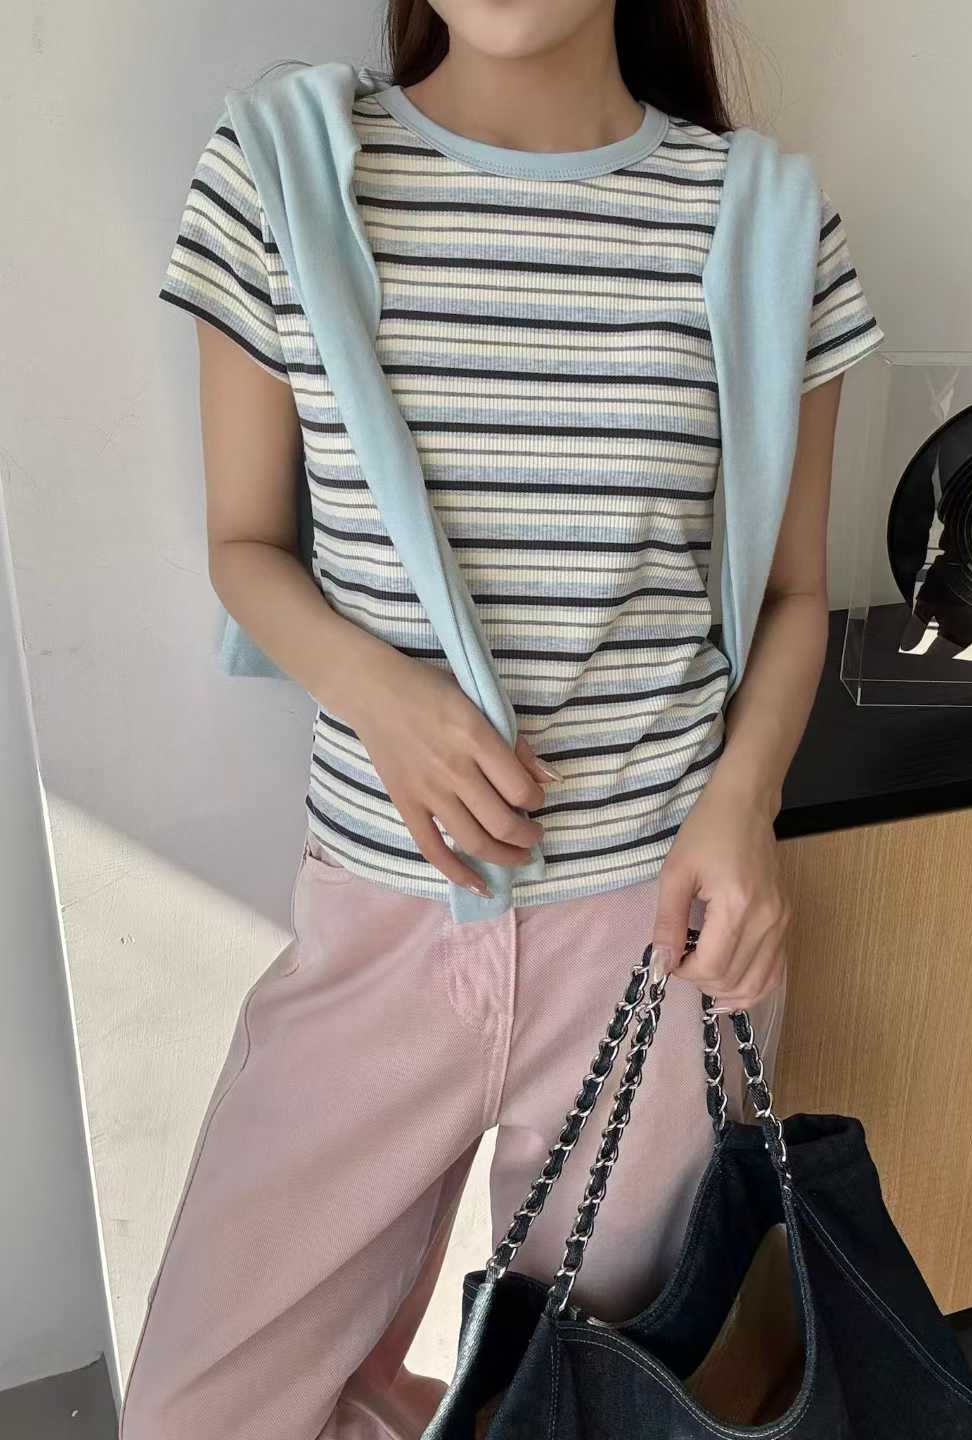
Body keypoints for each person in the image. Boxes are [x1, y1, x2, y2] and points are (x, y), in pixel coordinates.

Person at [120, 2, 885, 1436]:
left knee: (609, 1401)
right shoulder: (286, 167)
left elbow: (795, 595)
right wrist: (383, 697)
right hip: (384, 918)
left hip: (657, 935)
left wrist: (742, 808)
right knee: (203, 1408)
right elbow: (245, 547)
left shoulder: (765, 222)